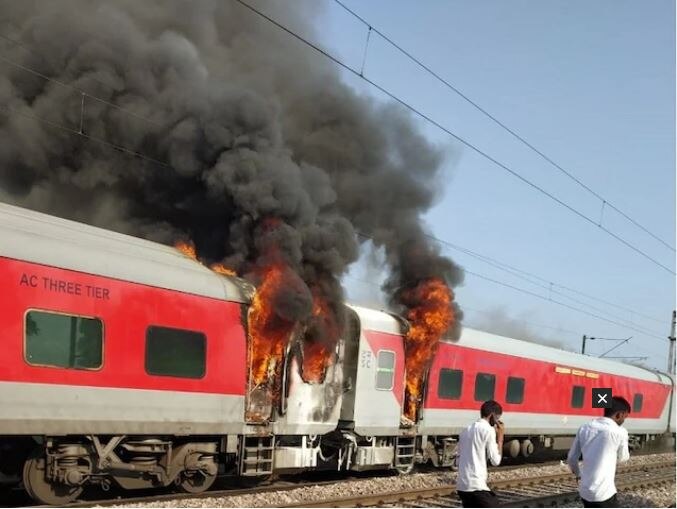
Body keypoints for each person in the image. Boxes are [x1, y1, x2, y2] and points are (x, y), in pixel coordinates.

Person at [567, 396, 631, 508]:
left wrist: (578, 474)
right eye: (624, 417)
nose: (623, 421)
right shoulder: (620, 432)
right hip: (604, 493)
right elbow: (623, 458)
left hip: (585, 492)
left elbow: (572, 458)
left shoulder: (584, 427)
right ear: (619, 415)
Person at [456, 400, 504, 508]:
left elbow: (457, 460)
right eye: (497, 418)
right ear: (492, 416)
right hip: (476, 486)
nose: (497, 422)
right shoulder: (488, 430)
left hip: (462, 487)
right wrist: (500, 438)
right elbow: (496, 461)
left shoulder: (465, 431)